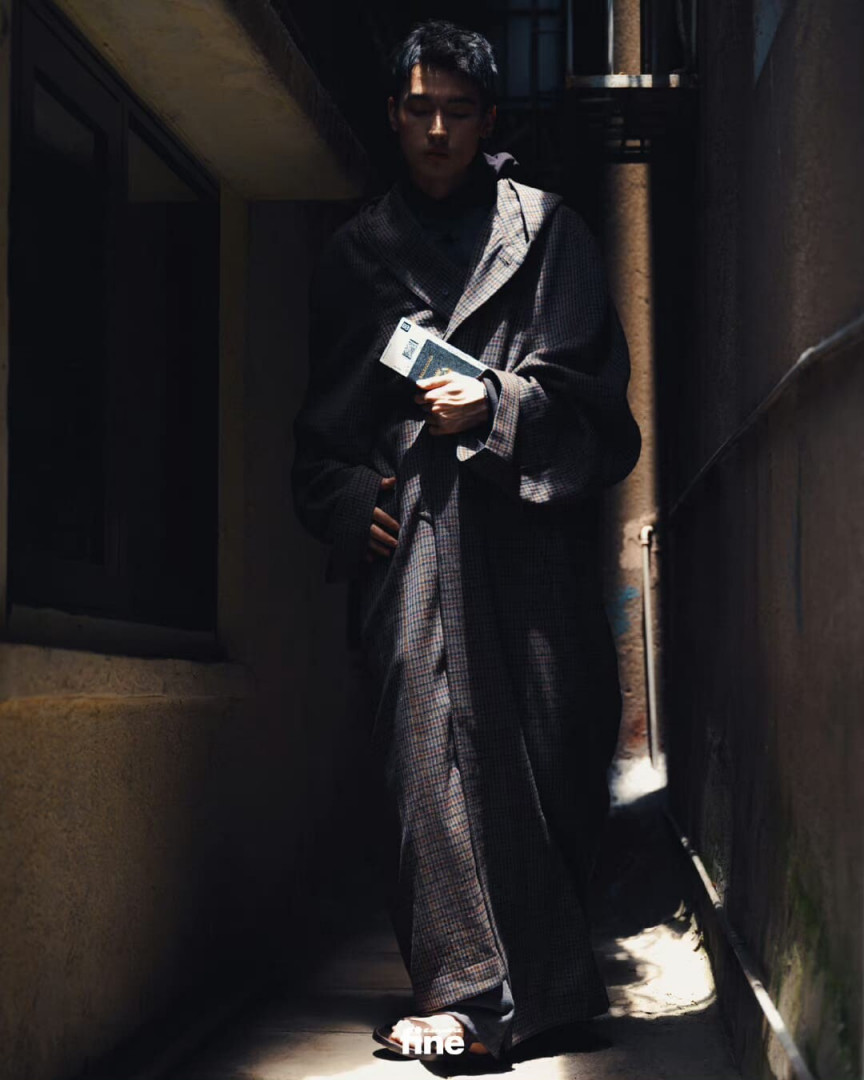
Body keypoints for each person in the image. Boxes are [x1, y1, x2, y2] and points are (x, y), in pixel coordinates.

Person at [291, 19, 640, 1063]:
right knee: (427, 760)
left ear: (489, 119)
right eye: (419, 109)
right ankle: (465, 997)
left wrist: (497, 405)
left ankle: (545, 989)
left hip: (532, 558)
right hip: (413, 557)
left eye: (457, 111)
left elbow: (604, 417)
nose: (437, 130)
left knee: (550, 756)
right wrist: (351, 504)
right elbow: (319, 443)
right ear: (393, 115)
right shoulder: (357, 259)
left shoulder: (551, 235)